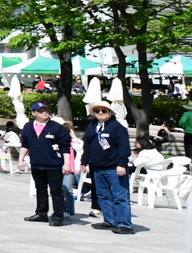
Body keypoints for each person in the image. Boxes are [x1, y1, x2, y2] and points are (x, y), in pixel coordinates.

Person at [83, 98, 135, 233]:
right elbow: (87, 145)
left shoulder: (117, 127)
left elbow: (124, 147)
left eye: (104, 111)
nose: (100, 113)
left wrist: (122, 164)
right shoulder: (92, 127)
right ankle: (110, 220)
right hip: (97, 167)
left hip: (114, 167)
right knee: (103, 195)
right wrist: (84, 161)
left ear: (110, 112)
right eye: (97, 111)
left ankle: (125, 224)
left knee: (120, 196)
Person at [19, 102, 73, 226]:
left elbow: (65, 146)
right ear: (34, 113)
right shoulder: (28, 127)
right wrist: (21, 159)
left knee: (56, 191)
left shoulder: (56, 127)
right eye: (41, 111)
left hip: (53, 164)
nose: (44, 113)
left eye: (46, 110)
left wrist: (67, 163)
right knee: (40, 190)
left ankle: (58, 216)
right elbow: (25, 144)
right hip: (37, 164)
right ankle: (41, 213)